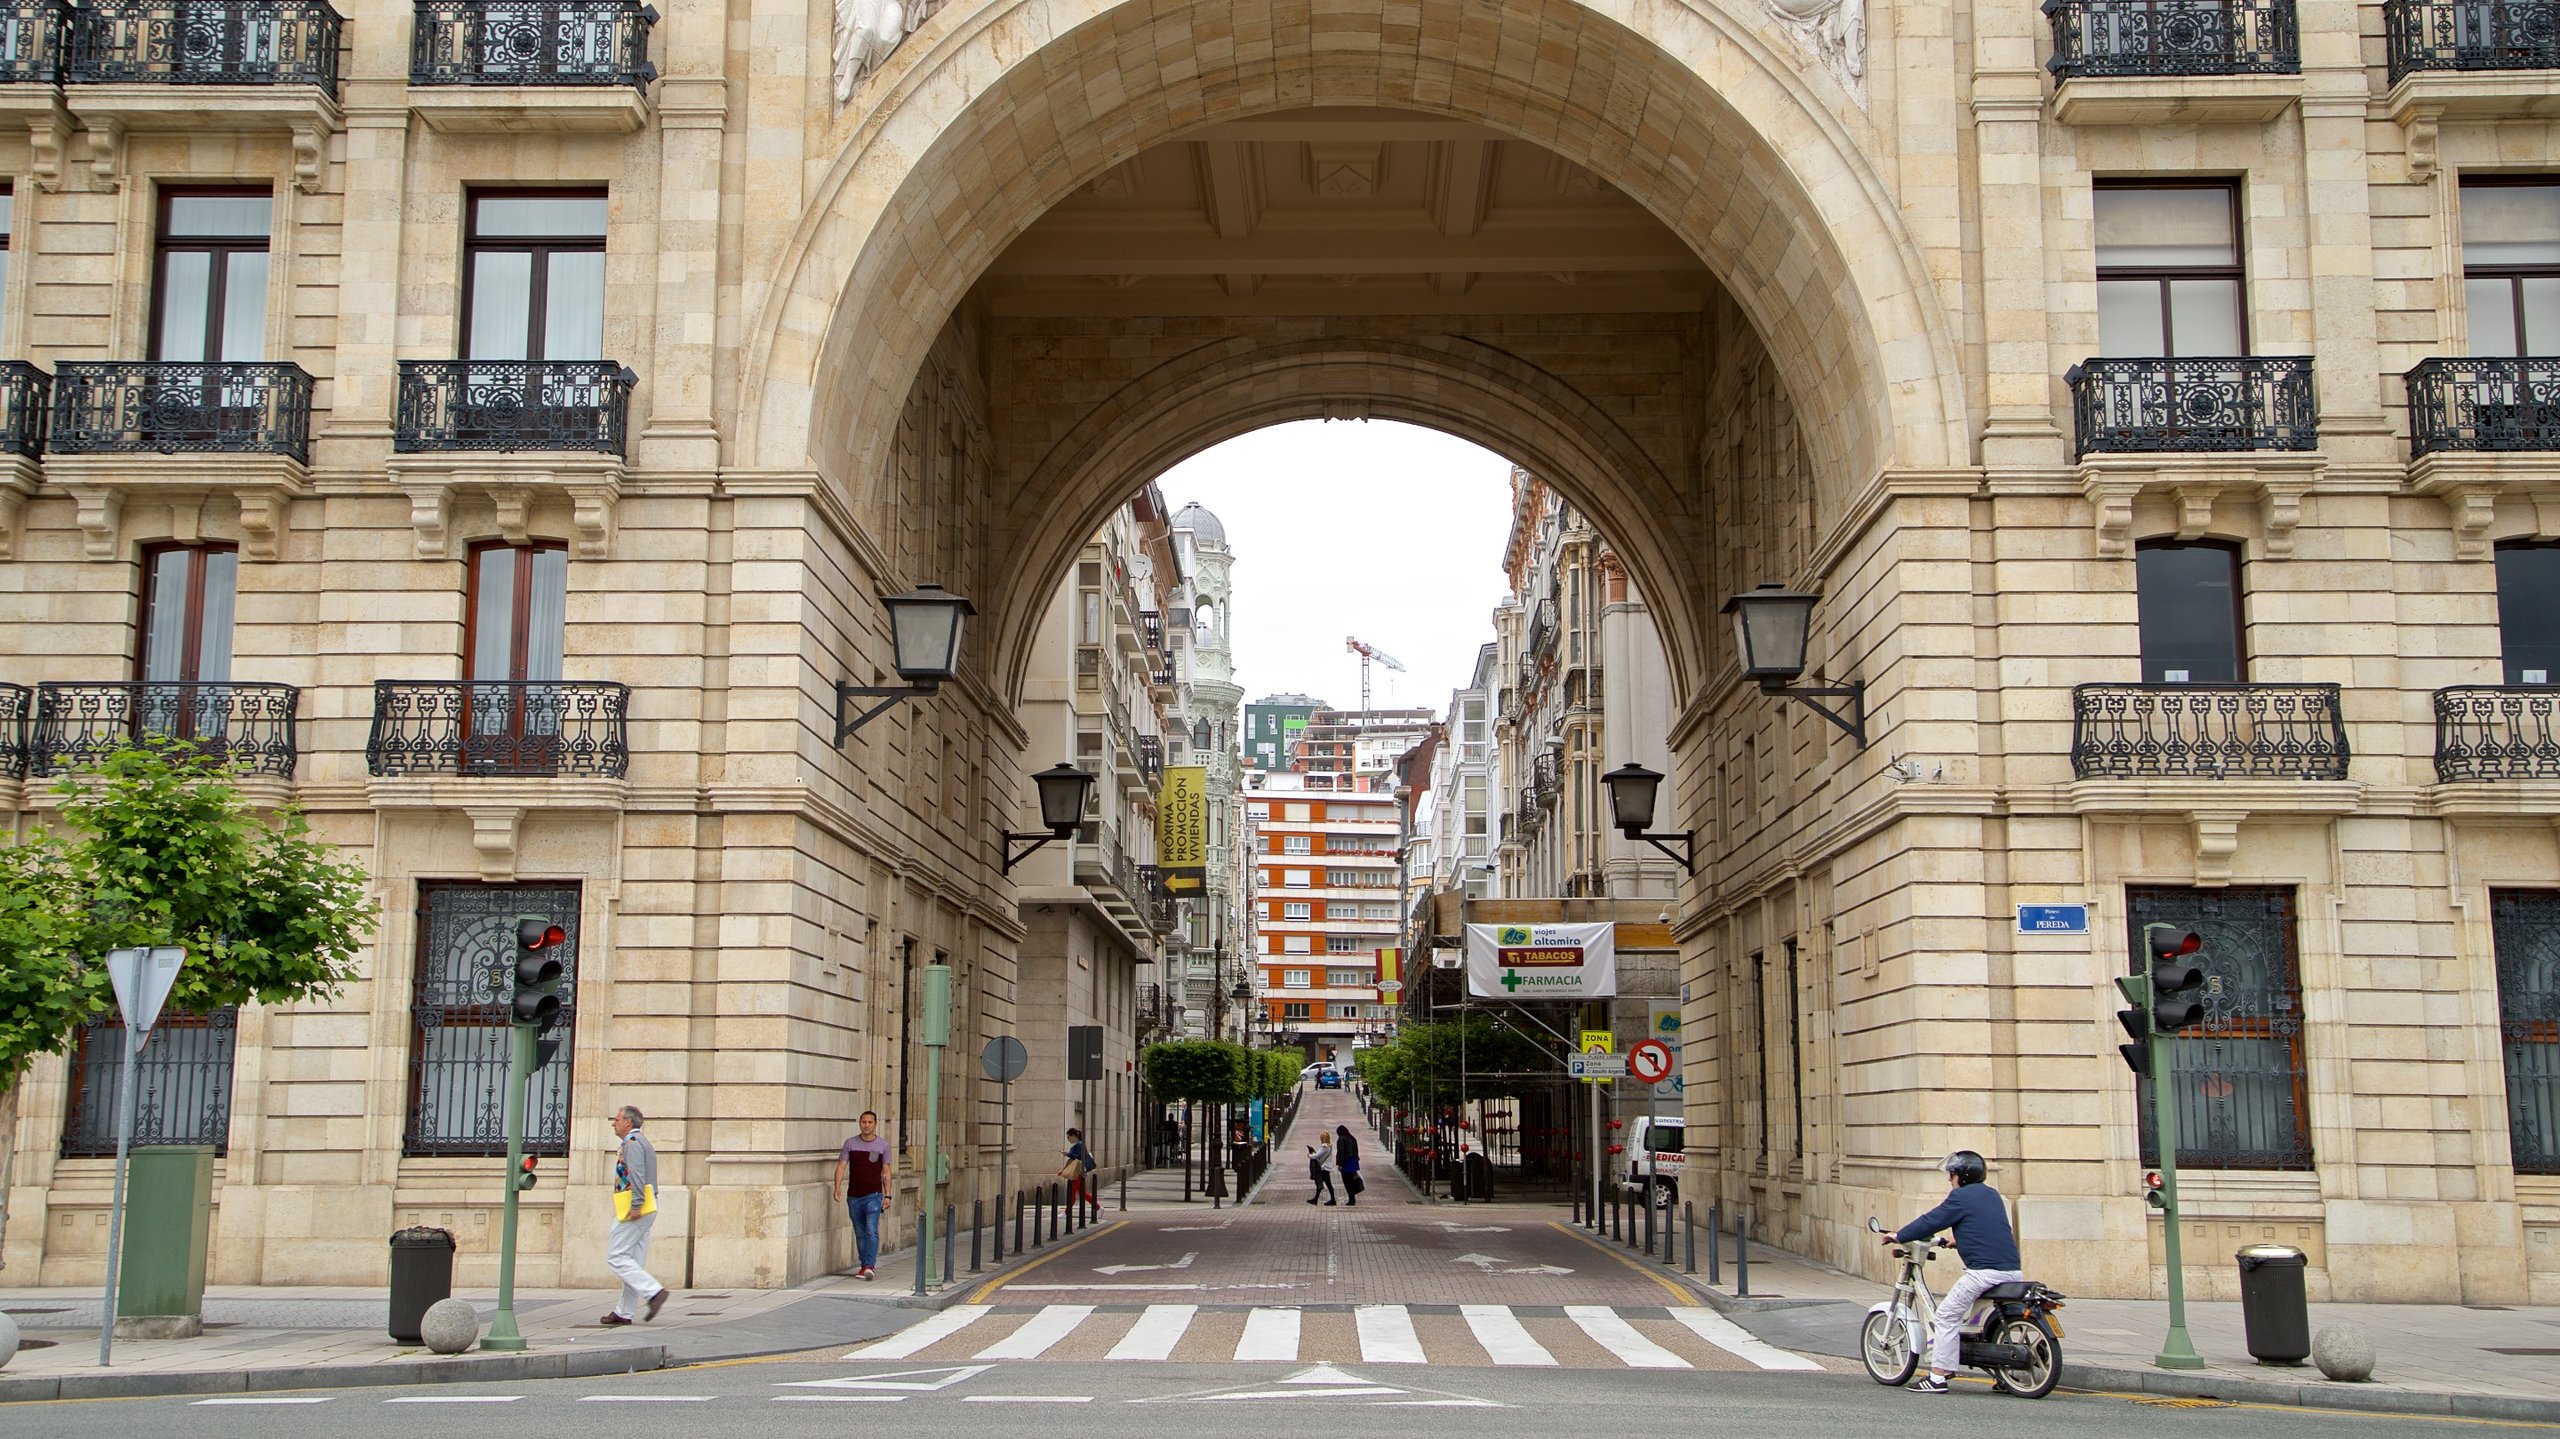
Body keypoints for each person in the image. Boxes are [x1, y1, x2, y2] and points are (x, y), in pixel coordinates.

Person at [1887, 1150, 2021, 1395]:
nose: (1950, 1179)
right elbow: (1988, 1227)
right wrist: (1958, 1240)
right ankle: (2006, 1375)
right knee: (1983, 1322)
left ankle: (1938, 1376)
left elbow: (1931, 1221)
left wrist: (1899, 1235)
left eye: (1952, 1175)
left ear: (1962, 1176)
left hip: (1984, 1273)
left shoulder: (1960, 1197)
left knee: (1946, 1316)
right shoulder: (1992, 1195)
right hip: (2012, 1271)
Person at [602, 1105, 669, 1325]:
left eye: (617, 1119)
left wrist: (636, 1204)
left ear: (628, 1122)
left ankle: (654, 1292)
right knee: (633, 1261)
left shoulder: (633, 1144)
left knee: (617, 1256)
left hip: (636, 1206)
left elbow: (637, 1175)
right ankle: (624, 1312)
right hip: (647, 1205)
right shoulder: (641, 1142)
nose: (614, 1122)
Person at [832, 1109, 893, 1280]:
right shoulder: (850, 1143)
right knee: (860, 1232)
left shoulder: (883, 1146)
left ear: (875, 1124)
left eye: (870, 1122)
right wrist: (837, 1187)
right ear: (860, 1123)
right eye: (863, 1122)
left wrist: (888, 1195)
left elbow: (886, 1172)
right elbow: (841, 1166)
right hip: (854, 1196)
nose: (866, 1125)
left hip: (874, 1195)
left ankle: (869, 1265)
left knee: (871, 1230)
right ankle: (864, 1264)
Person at [1061, 1127, 1097, 1219]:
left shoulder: (1079, 1145)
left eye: (1068, 1137)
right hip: (1080, 1171)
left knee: (1073, 1192)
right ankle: (1098, 1207)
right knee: (1082, 1193)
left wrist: (1067, 1154)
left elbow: (1077, 1157)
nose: (1068, 1139)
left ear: (1073, 1136)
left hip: (1078, 1172)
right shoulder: (1079, 1145)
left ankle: (1067, 1212)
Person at [1334, 1123, 1363, 1207]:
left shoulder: (1341, 1139)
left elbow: (1341, 1152)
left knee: (1347, 1182)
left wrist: (1340, 1164)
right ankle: (1352, 1198)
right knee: (1352, 1179)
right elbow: (1356, 1151)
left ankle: (1351, 1199)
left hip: (1346, 1163)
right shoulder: (1352, 1138)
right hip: (1353, 1161)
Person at [1306, 1132, 1338, 1205]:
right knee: (1327, 1184)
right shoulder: (1329, 1146)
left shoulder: (1324, 1146)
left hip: (1324, 1168)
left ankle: (1318, 1200)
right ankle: (1329, 1199)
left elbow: (1317, 1155)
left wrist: (1309, 1155)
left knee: (1321, 1183)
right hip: (1327, 1167)